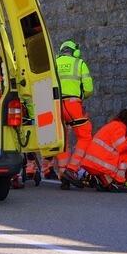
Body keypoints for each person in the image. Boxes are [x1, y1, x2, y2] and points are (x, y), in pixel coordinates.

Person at [55, 40, 94, 189]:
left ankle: (63, 173)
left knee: (62, 139)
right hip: (72, 105)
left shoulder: (54, 63)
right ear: (75, 52)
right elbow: (89, 89)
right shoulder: (79, 63)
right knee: (85, 136)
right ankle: (71, 169)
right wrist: (82, 96)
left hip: (56, 105)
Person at [82, 108, 127, 192]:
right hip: (99, 165)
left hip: (91, 162)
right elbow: (121, 147)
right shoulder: (120, 127)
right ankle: (119, 182)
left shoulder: (112, 125)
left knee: (123, 151)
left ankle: (104, 181)